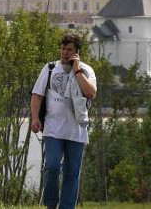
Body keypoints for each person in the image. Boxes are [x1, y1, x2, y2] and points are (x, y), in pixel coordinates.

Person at [31, 32, 97, 209]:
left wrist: (77, 70)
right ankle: (50, 204)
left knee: (71, 174)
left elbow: (90, 93)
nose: (65, 52)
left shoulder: (86, 70)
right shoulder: (50, 68)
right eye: (63, 48)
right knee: (52, 166)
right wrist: (35, 118)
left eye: (70, 50)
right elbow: (37, 95)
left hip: (76, 130)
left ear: (77, 52)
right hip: (53, 129)